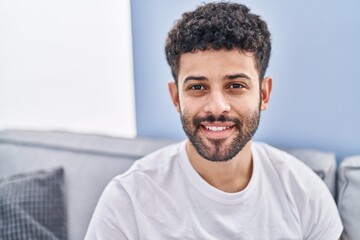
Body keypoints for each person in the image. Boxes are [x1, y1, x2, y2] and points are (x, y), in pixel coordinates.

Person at [85, 2, 343, 239]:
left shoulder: (306, 195)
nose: (217, 106)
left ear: (263, 93)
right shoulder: (127, 201)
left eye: (236, 85)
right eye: (197, 87)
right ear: (176, 97)